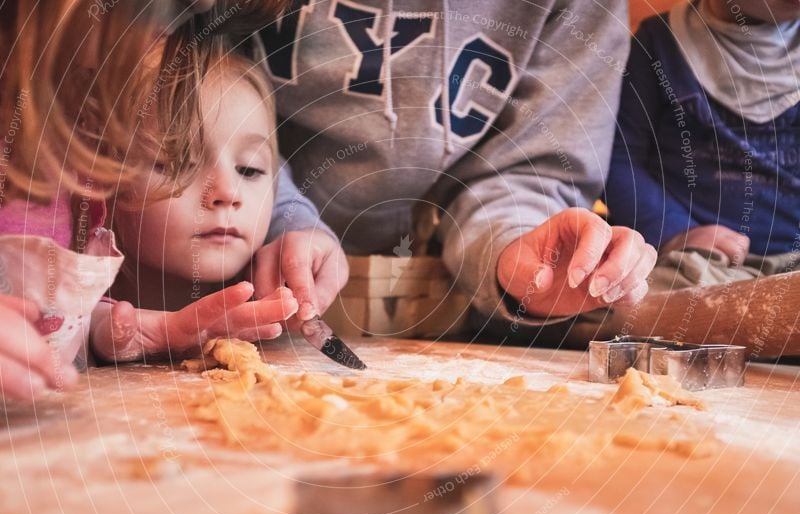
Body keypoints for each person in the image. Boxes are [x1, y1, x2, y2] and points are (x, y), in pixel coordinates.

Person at [252, 0, 657, 334]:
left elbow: (527, 169)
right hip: (227, 258)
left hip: (422, 298)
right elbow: (203, 113)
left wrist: (516, 243)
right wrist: (281, 216)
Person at [0, 0, 292, 401]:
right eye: (171, 163)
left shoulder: (74, 162)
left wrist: (132, 332)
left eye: (251, 169)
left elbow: (61, 321)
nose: (227, 192)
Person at [92, 50, 301, 362]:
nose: (228, 193)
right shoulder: (66, 285)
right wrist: (98, 334)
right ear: (103, 179)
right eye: (179, 165)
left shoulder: (278, 296)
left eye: (249, 169)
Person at [605, 0, 800, 291]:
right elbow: (617, 159)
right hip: (698, 262)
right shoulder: (658, 43)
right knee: (631, 298)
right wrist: (676, 232)